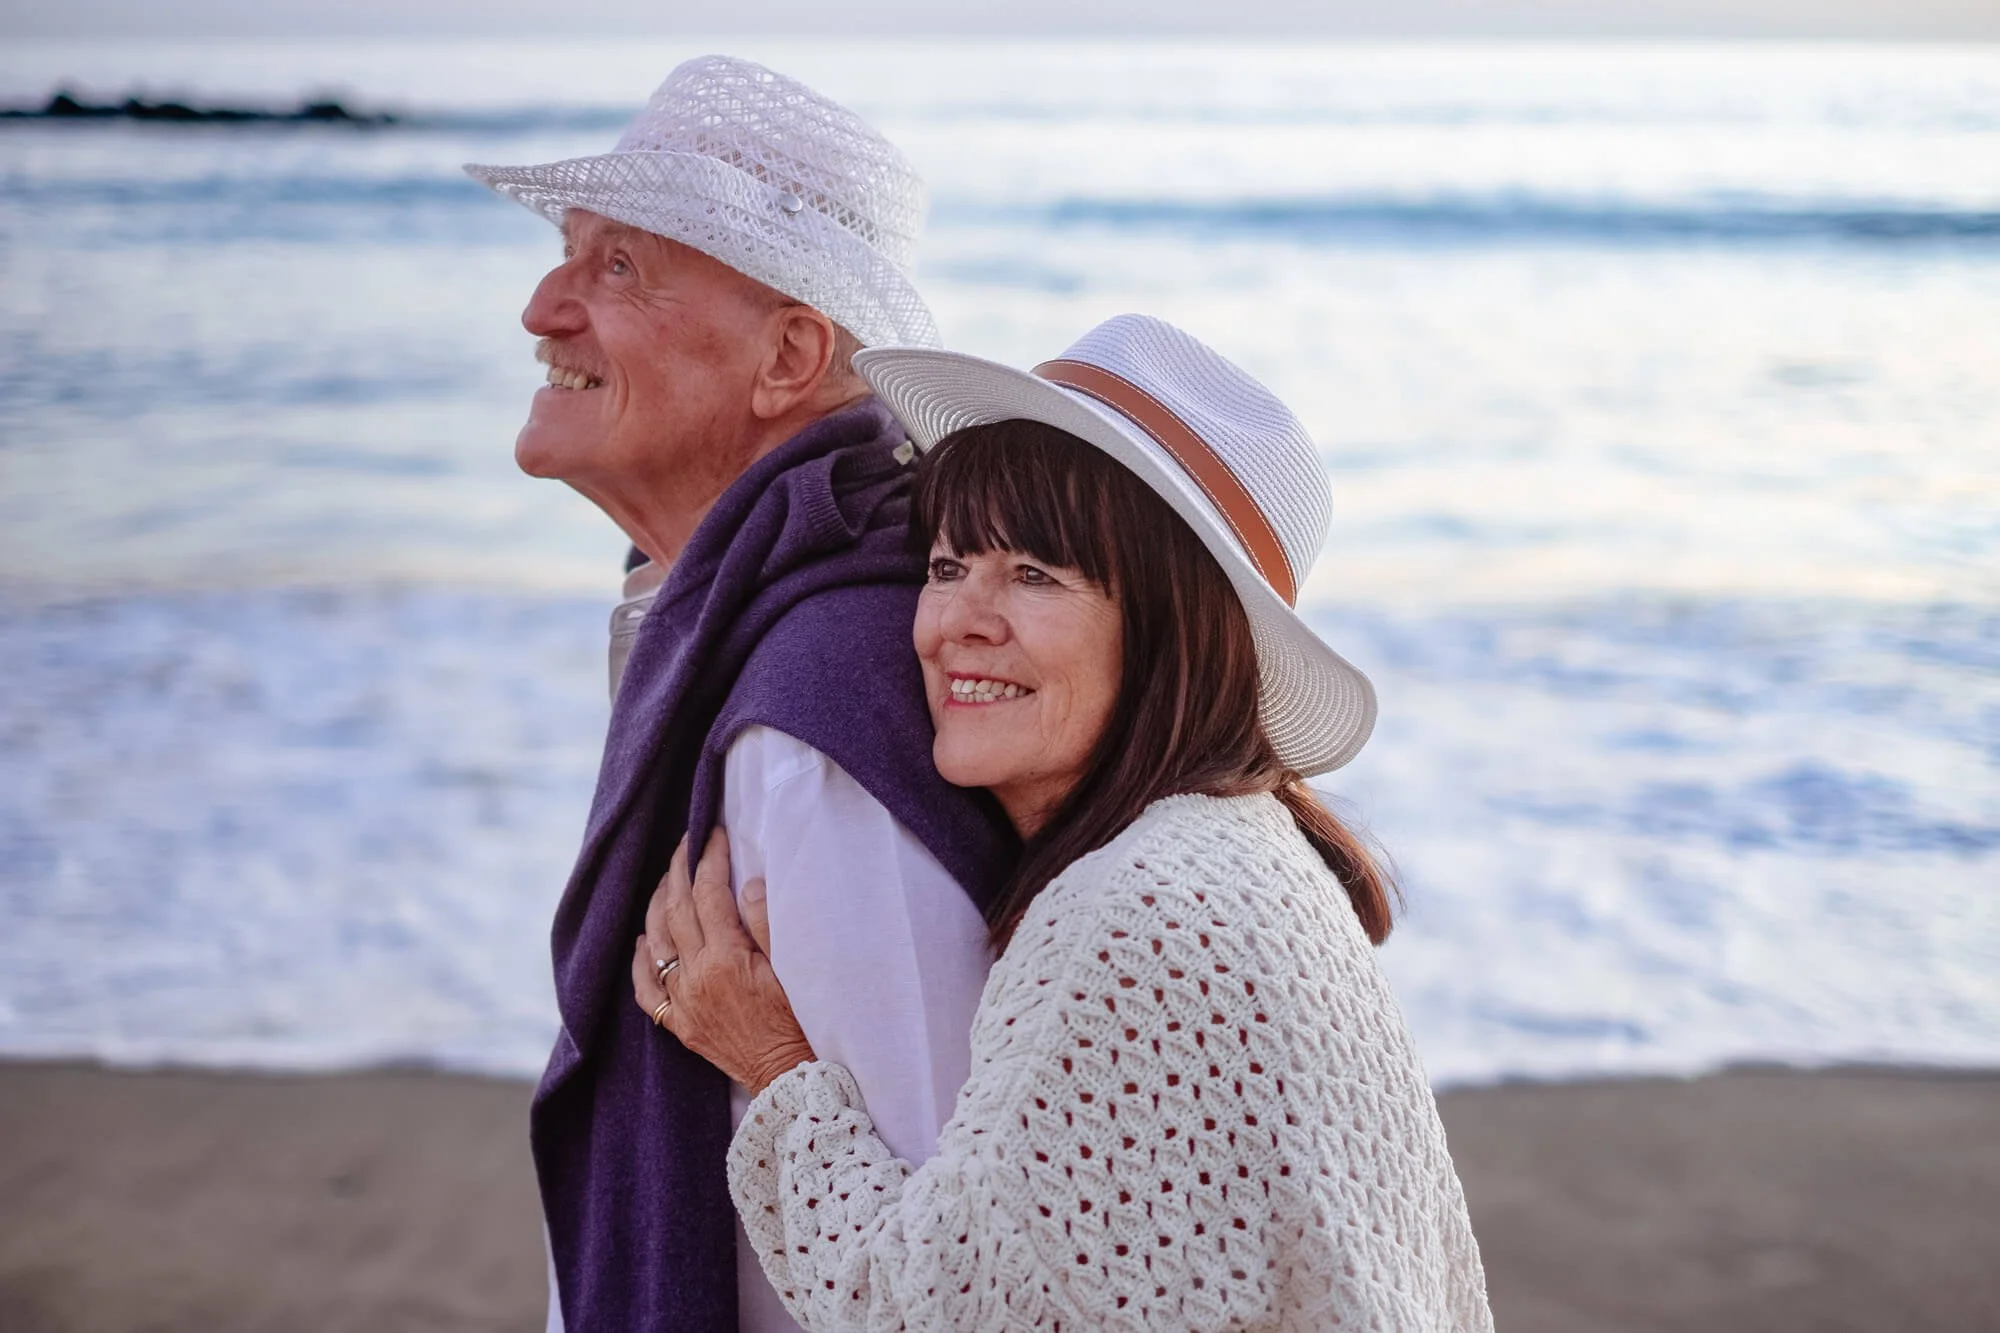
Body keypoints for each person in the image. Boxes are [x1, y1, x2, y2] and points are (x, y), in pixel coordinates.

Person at [632, 314, 1494, 1330]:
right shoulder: (1246, 848)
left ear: (1172, 630)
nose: (957, 621)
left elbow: (928, 1316)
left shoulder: (1133, 913)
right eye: (948, 565)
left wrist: (772, 1061)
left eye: (1035, 575)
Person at [464, 56, 1017, 1332]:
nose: (543, 306)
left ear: (790, 355)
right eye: (568, 252)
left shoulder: (818, 715)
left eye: (619, 269)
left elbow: (935, 1262)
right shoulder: (722, 614)